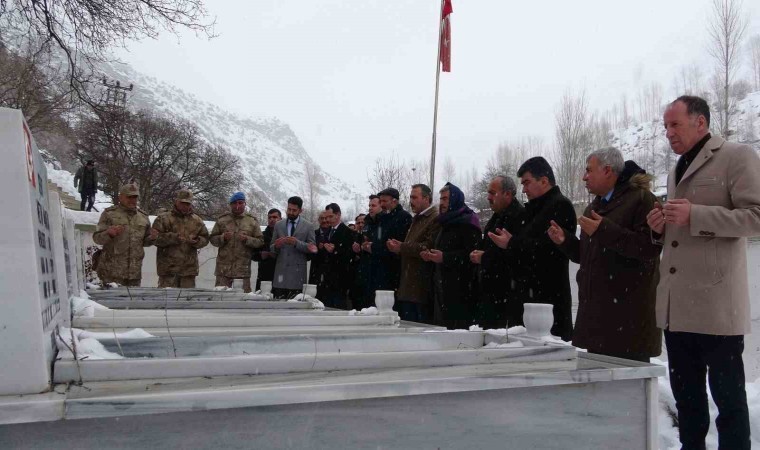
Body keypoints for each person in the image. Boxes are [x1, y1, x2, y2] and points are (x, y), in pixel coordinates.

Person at [645, 95, 760, 450]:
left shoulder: (736, 157)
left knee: (729, 405)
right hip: (677, 310)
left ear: (701, 122)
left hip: (716, 308)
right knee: (689, 404)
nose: (668, 132)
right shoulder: (676, 168)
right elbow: (680, 231)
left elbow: (755, 217)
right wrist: (659, 227)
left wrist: (697, 215)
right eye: (665, 126)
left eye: (674, 124)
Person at [548, 148, 661, 362]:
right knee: (601, 394)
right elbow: (589, 256)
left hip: (627, 326)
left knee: (628, 393)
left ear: (608, 170)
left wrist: (603, 230)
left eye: (589, 170)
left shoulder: (642, 200)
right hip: (598, 323)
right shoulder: (595, 206)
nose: (584, 177)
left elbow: (648, 249)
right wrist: (566, 241)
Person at [488, 157, 576, 341]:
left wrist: (511, 244)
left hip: (548, 301)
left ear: (544, 180)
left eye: (527, 183)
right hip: (525, 299)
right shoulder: (531, 210)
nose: (524, 189)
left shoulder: (560, 206)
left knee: (546, 357)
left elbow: (550, 251)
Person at [422, 183, 481, 329]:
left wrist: (445, 258)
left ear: (455, 200)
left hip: (460, 289)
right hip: (442, 286)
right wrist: (431, 255)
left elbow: (472, 255)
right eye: (440, 199)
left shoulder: (468, 223)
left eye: (445, 199)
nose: (441, 203)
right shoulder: (445, 222)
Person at [469, 176, 525, 329]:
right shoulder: (498, 216)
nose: (488, 197)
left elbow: (516, 256)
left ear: (507, 194)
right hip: (490, 293)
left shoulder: (518, 217)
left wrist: (485, 258)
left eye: (493, 193)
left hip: (505, 297)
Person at [387, 184, 440, 323]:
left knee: (419, 332)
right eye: (410, 197)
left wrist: (401, 247)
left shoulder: (434, 218)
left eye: (414, 197)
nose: (411, 201)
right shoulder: (417, 218)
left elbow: (427, 247)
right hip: (408, 286)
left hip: (420, 288)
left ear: (426, 198)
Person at [92, 183, 156, 286]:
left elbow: (144, 241)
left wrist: (152, 238)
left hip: (134, 274)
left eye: (135, 197)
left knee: (133, 302)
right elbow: (97, 238)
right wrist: (109, 233)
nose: (132, 200)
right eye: (129, 197)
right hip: (111, 273)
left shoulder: (143, 217)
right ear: (120, 197)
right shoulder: (109, 214)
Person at [151, 189, 210, 288]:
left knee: (186, 301)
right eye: (182, 203)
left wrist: (197, 241)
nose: (185, 206)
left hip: (188, 271)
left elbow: (206, 238)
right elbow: (154, 238)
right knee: (167, 301)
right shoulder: (163, 218)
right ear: (176, 201)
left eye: (188, 204)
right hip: (168, 271)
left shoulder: (197, 221)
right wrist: (173, 237)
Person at [209, 192, 264, 293]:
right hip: (223, 270)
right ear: (230, 205)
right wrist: (223, 238)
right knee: (220, 299)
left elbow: (260, 242)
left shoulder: (252, 221)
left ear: (245, 204)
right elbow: (212, 239)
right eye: (234, 203)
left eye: (240, 203)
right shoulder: (222, 220)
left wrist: (247, 239)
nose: (237, 206)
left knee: (243, 300)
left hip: (242, 270)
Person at [365, 187, 412, 295]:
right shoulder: (383, 218)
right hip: (378, 268)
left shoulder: (404, 217)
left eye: (384, 201)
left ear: (394, 201)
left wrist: (374, 248)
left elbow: (396, 244)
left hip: (393, 270)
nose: (382, 204)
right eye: (380, 201)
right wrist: (371, 244)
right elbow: (379, 239)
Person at [270, 196, 317, 299]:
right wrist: (276, 246)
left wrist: (297, 243)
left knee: (295, 311)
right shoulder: (278, 225)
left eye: (294, 210)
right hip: (280, 276)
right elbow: (272, 247)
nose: (290, 212)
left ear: (300, 210)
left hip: (297, 277)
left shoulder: (308, 226)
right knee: (278, 309)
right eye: (289, 209)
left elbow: (313, 248)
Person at [317, 203, 356, 309]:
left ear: (338, 215)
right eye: (326, 217)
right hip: (326, 278)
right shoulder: (327, 232)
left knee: (338, 308)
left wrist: (336, 251)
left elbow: (349, 254)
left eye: (330, 216)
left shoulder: (348, 232)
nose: (328, 220)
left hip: (340, 279)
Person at [353, 196, 382, 309]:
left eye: (373, 205)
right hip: (364, 269)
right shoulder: (368, 223)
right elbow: (362, 241)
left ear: (381, 206)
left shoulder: (381, 223)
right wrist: (358, 248)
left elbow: (380, 243)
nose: (370, 208)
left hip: (377, 270)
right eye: (369, 205)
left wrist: (372, 247)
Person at [252, 208, 281, 291]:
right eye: (269, 217)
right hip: (264, 275)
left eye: (275, 217)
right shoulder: (261, 236)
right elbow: (252, 254)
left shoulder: (285, 236)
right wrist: (261, 255)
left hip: (281, 275)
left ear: (280, 219)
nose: (272, 219)